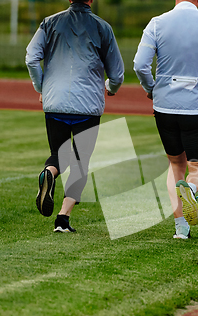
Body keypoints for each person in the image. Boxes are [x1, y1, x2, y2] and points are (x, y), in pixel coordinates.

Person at [133, 0, 198, 239]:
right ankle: (191, 188)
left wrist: (152, 89)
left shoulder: (157, 23)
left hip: (164, 107)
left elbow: (140, 65)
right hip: (196, 108)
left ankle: (181, 227)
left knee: (176, 165)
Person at [26, 0, 124, 233]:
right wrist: (111, 87)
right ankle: (62, 218)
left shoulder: (49, 23)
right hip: (87, 105)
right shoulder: (102, 27)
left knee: (58, 155)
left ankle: (48, 173)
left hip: (55, 102)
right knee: (80, 163)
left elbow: (31, 57)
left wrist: (41, 87)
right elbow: (117, 72)